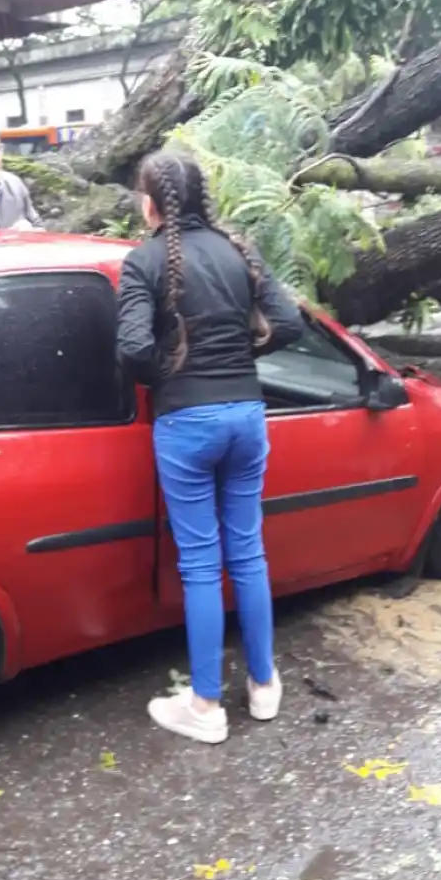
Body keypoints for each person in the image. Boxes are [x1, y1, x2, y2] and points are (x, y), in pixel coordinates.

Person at [117, 151, 303, 745]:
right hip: (247, 414)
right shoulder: (236, 251)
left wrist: (172, 375)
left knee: (200, 564)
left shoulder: (143, 261)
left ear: (150, 203)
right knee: (247, 554)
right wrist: (239, 360)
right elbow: (291, 323)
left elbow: (131, 349)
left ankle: (204, 706)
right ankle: (264, 686)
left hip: (187, 421)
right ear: (202, 197)